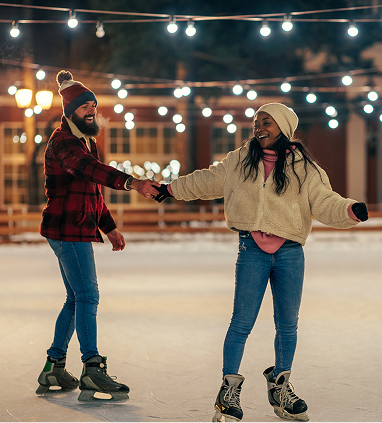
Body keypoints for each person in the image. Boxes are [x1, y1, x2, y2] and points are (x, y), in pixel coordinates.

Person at [155, 103, 368, 422]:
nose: (258, 127)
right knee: (241, 323)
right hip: (251, 248)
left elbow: (324, 201)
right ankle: (228, 391)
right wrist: (169, 189)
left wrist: (350, 210)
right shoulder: (239, 160)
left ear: (283, 127)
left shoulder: (305, 167)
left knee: (287, 324)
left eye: (265, 122)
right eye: (256, 122)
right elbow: (206, 181)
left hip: (290, 252)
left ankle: (281, 385)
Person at [36, 70, 160, 402]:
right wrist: (133, 183)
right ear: (70, 111)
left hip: (75, 227)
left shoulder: (87, 141)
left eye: (93, 104)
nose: (90, 110)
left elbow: (92, 191)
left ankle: (53, 367)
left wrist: (109, 227)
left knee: (76, 299)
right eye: (83, 107)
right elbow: (92, 171)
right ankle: (92, 369)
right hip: (67, 229)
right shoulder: (63, 142)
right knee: (88, 296)